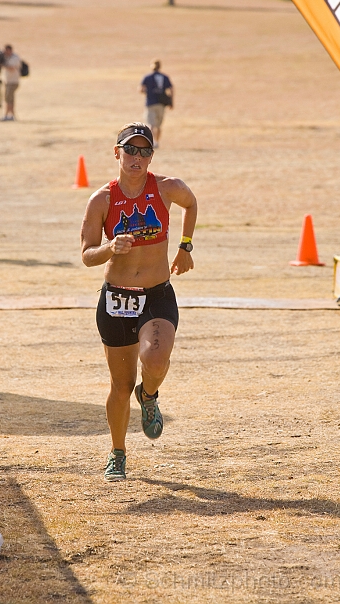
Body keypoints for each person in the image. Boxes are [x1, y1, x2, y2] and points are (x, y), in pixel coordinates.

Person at [81, 122, 197, 481]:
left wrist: (185, 246)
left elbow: (190, 203)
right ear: (116, 153)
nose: (137, 157)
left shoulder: (166, 188)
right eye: (130, 149)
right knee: (119, 384)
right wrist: (109, 248)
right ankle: (118, 453)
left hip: (156, 294)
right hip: (115, 299)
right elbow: (87, 255)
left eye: (145, 150)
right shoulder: (102, 199)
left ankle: (148, 395)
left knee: (156, 358)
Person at [139, 60, 173, 148]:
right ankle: (156, 142)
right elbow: (171, 89)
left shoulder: (147, 77)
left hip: (150, 103)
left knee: (151, 124)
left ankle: (151, 142)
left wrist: (147, 92)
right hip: (161, 103)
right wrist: (171, 101)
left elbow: (141, 89)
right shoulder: (164, 77)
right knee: (158, 125)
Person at [0, 45, 21, 121]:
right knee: (8, 98)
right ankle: (11, 115)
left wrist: (3, 64)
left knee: (9, 98)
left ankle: (9, 115)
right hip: (8, 81)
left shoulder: (15, 58)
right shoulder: (7, 58)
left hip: (13, 81)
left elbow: (12, 68)